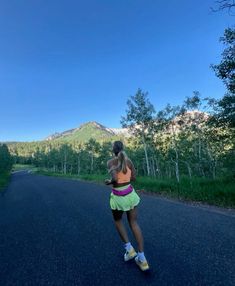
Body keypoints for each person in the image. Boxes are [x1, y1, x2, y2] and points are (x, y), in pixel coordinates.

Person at [105, 141, 149, 271]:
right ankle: (142, 259)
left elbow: (115, 179)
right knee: (134, 223)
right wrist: (126, 177)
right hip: (131, 195)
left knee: (118, 221)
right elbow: (134, 178)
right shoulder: (129, 161)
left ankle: (129, 250)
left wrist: (109, 182)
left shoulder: (110, 163)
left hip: (118, 198)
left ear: (113, 150)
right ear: (123, 149)